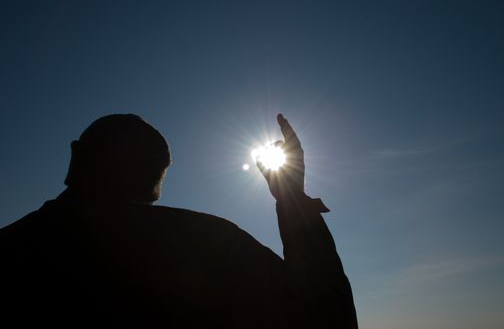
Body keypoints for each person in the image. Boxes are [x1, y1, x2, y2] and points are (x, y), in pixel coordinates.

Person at [0, 113, 357, 328]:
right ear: (158, 179)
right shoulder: (209, 244)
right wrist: (291, 198)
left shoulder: (13, 248)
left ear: (76, 158)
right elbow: (324, 320)